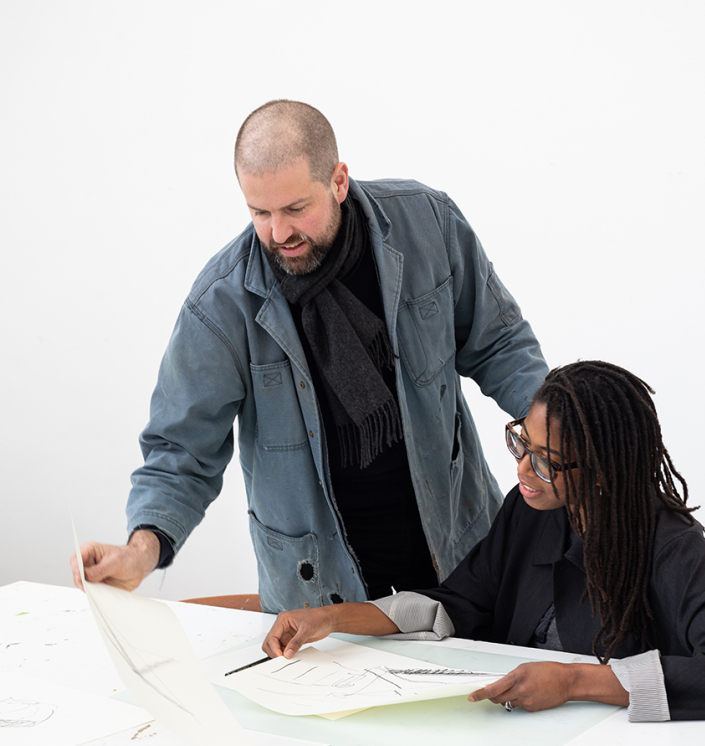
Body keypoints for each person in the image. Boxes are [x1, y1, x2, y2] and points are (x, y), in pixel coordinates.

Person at [71, 100, 547, 611]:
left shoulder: (428, 223)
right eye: (260, 212)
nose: (279, 233)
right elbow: (180, 452)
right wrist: (142, 550)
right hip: (321, 598)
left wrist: (565, 434)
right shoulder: (220, 305)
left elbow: (499, 343)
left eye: (296, 208)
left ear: (338, 181)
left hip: (459, 556)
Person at [261, 361, 705, 721]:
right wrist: (332, 618)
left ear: (602, 469)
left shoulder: (670, 544)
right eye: (522, 443)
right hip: (518, 736)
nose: (521, 469)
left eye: (545, 460)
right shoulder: (531, 507)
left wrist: (577, 681)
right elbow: (458, 602)